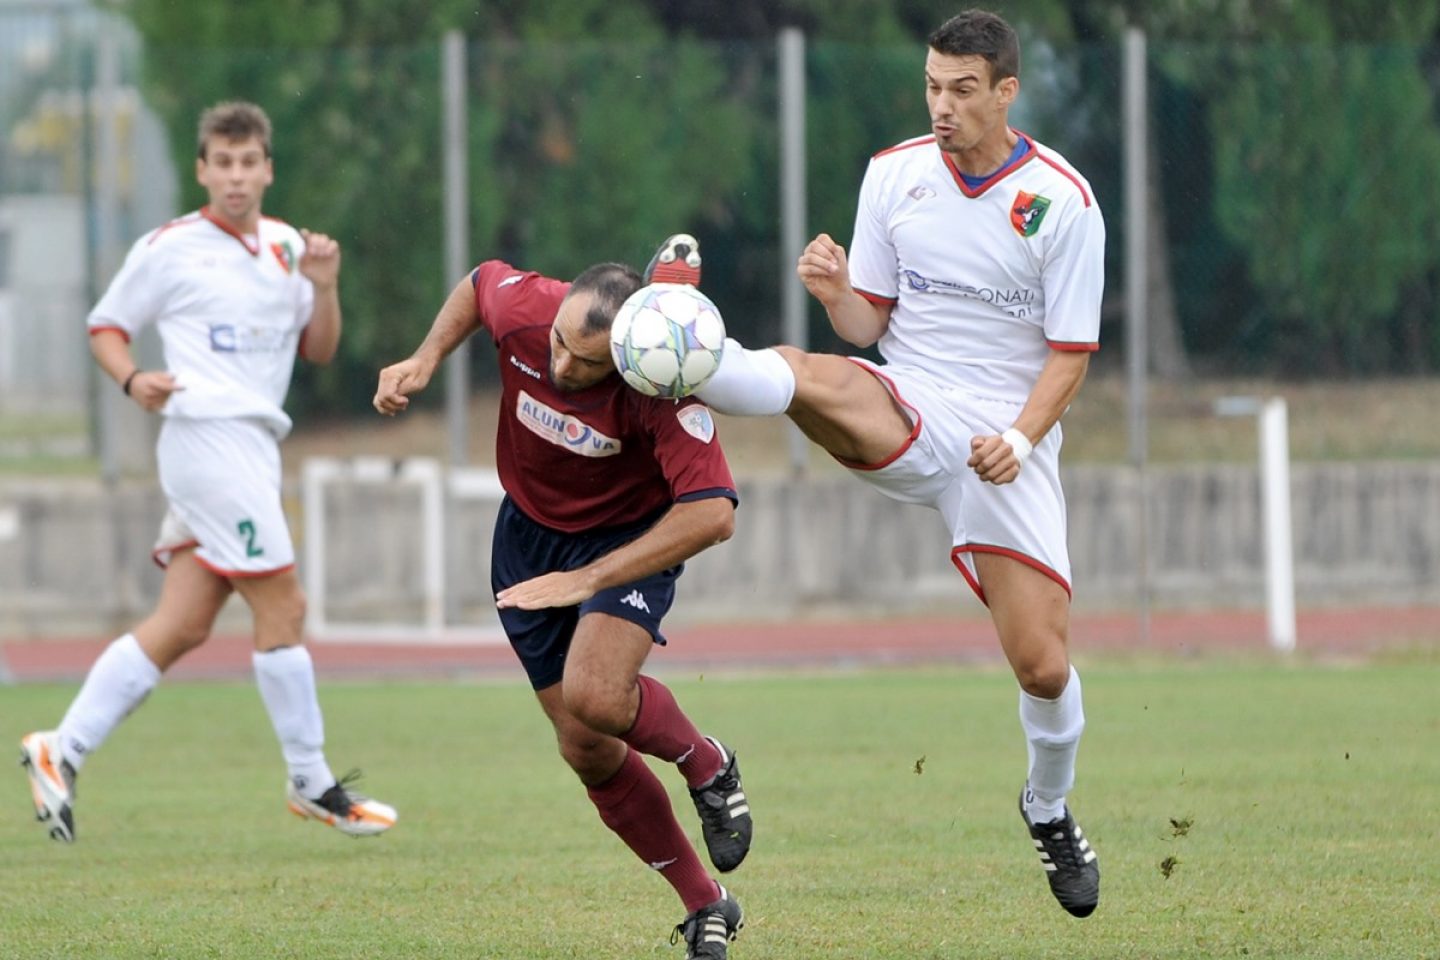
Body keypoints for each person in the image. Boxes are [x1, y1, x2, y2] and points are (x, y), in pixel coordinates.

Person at [690, 10, 1103, 918]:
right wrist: (839, 293)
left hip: (1008, 440)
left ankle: (1048, 807)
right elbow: (866, 331)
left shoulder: (1062, 202)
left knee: (1042, 667)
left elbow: (1070, 355)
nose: (942, 106)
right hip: (911, 398)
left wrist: (1023, 440)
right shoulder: (894, 175)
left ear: (1006, 92)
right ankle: (691, 364)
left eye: (962, 90)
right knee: (812, 374)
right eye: (932, 86)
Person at [19, 101, 396, 843]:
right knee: (284, 607)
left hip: (252, 445)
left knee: (183, 624)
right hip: (204, 441)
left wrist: (325, 285)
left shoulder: (291, 248)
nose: (235, 176)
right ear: (202, 169)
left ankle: (59, 749)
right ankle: (311, 779)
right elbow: (105, 326)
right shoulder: (169, 247)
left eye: (247, 162)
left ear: (267, 169)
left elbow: (319, 350)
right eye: (221, 163)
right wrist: (133, 381)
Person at [372, 236, 751, 959]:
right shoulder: (528, 312)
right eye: (560, 347)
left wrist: (588, 581)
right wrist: (425, 358)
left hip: (627, 543)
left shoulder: (658, 382)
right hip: (528, 540)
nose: (563, 366)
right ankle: (708, 904)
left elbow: (713, 513)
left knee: (599, 696)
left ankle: (708, 764)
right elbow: (480, 281)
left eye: (587, 362)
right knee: (586, 746)